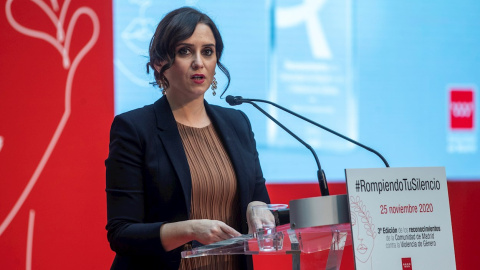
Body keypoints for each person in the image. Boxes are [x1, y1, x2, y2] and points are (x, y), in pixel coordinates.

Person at [105, 7, 270, 270]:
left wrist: (259, 210)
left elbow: (259, 197)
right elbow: (122, 234)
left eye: (207, 51)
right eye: (185, 51)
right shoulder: (134, 128)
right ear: (160, 63)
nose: (198, 62)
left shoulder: (237, 123)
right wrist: (190, 229)